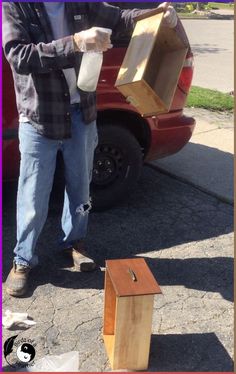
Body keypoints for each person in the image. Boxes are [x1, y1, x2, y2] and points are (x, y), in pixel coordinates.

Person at [2, 1, 178, 297]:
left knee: (81, 188)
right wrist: (75, 42)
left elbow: (122, 17)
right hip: (38, 116)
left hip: (80, 112)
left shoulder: (79, 3)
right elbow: (19, 56)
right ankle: (23, 260)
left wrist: (158, 14)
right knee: (33, 195)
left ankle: (74, 244)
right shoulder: (15, 6)